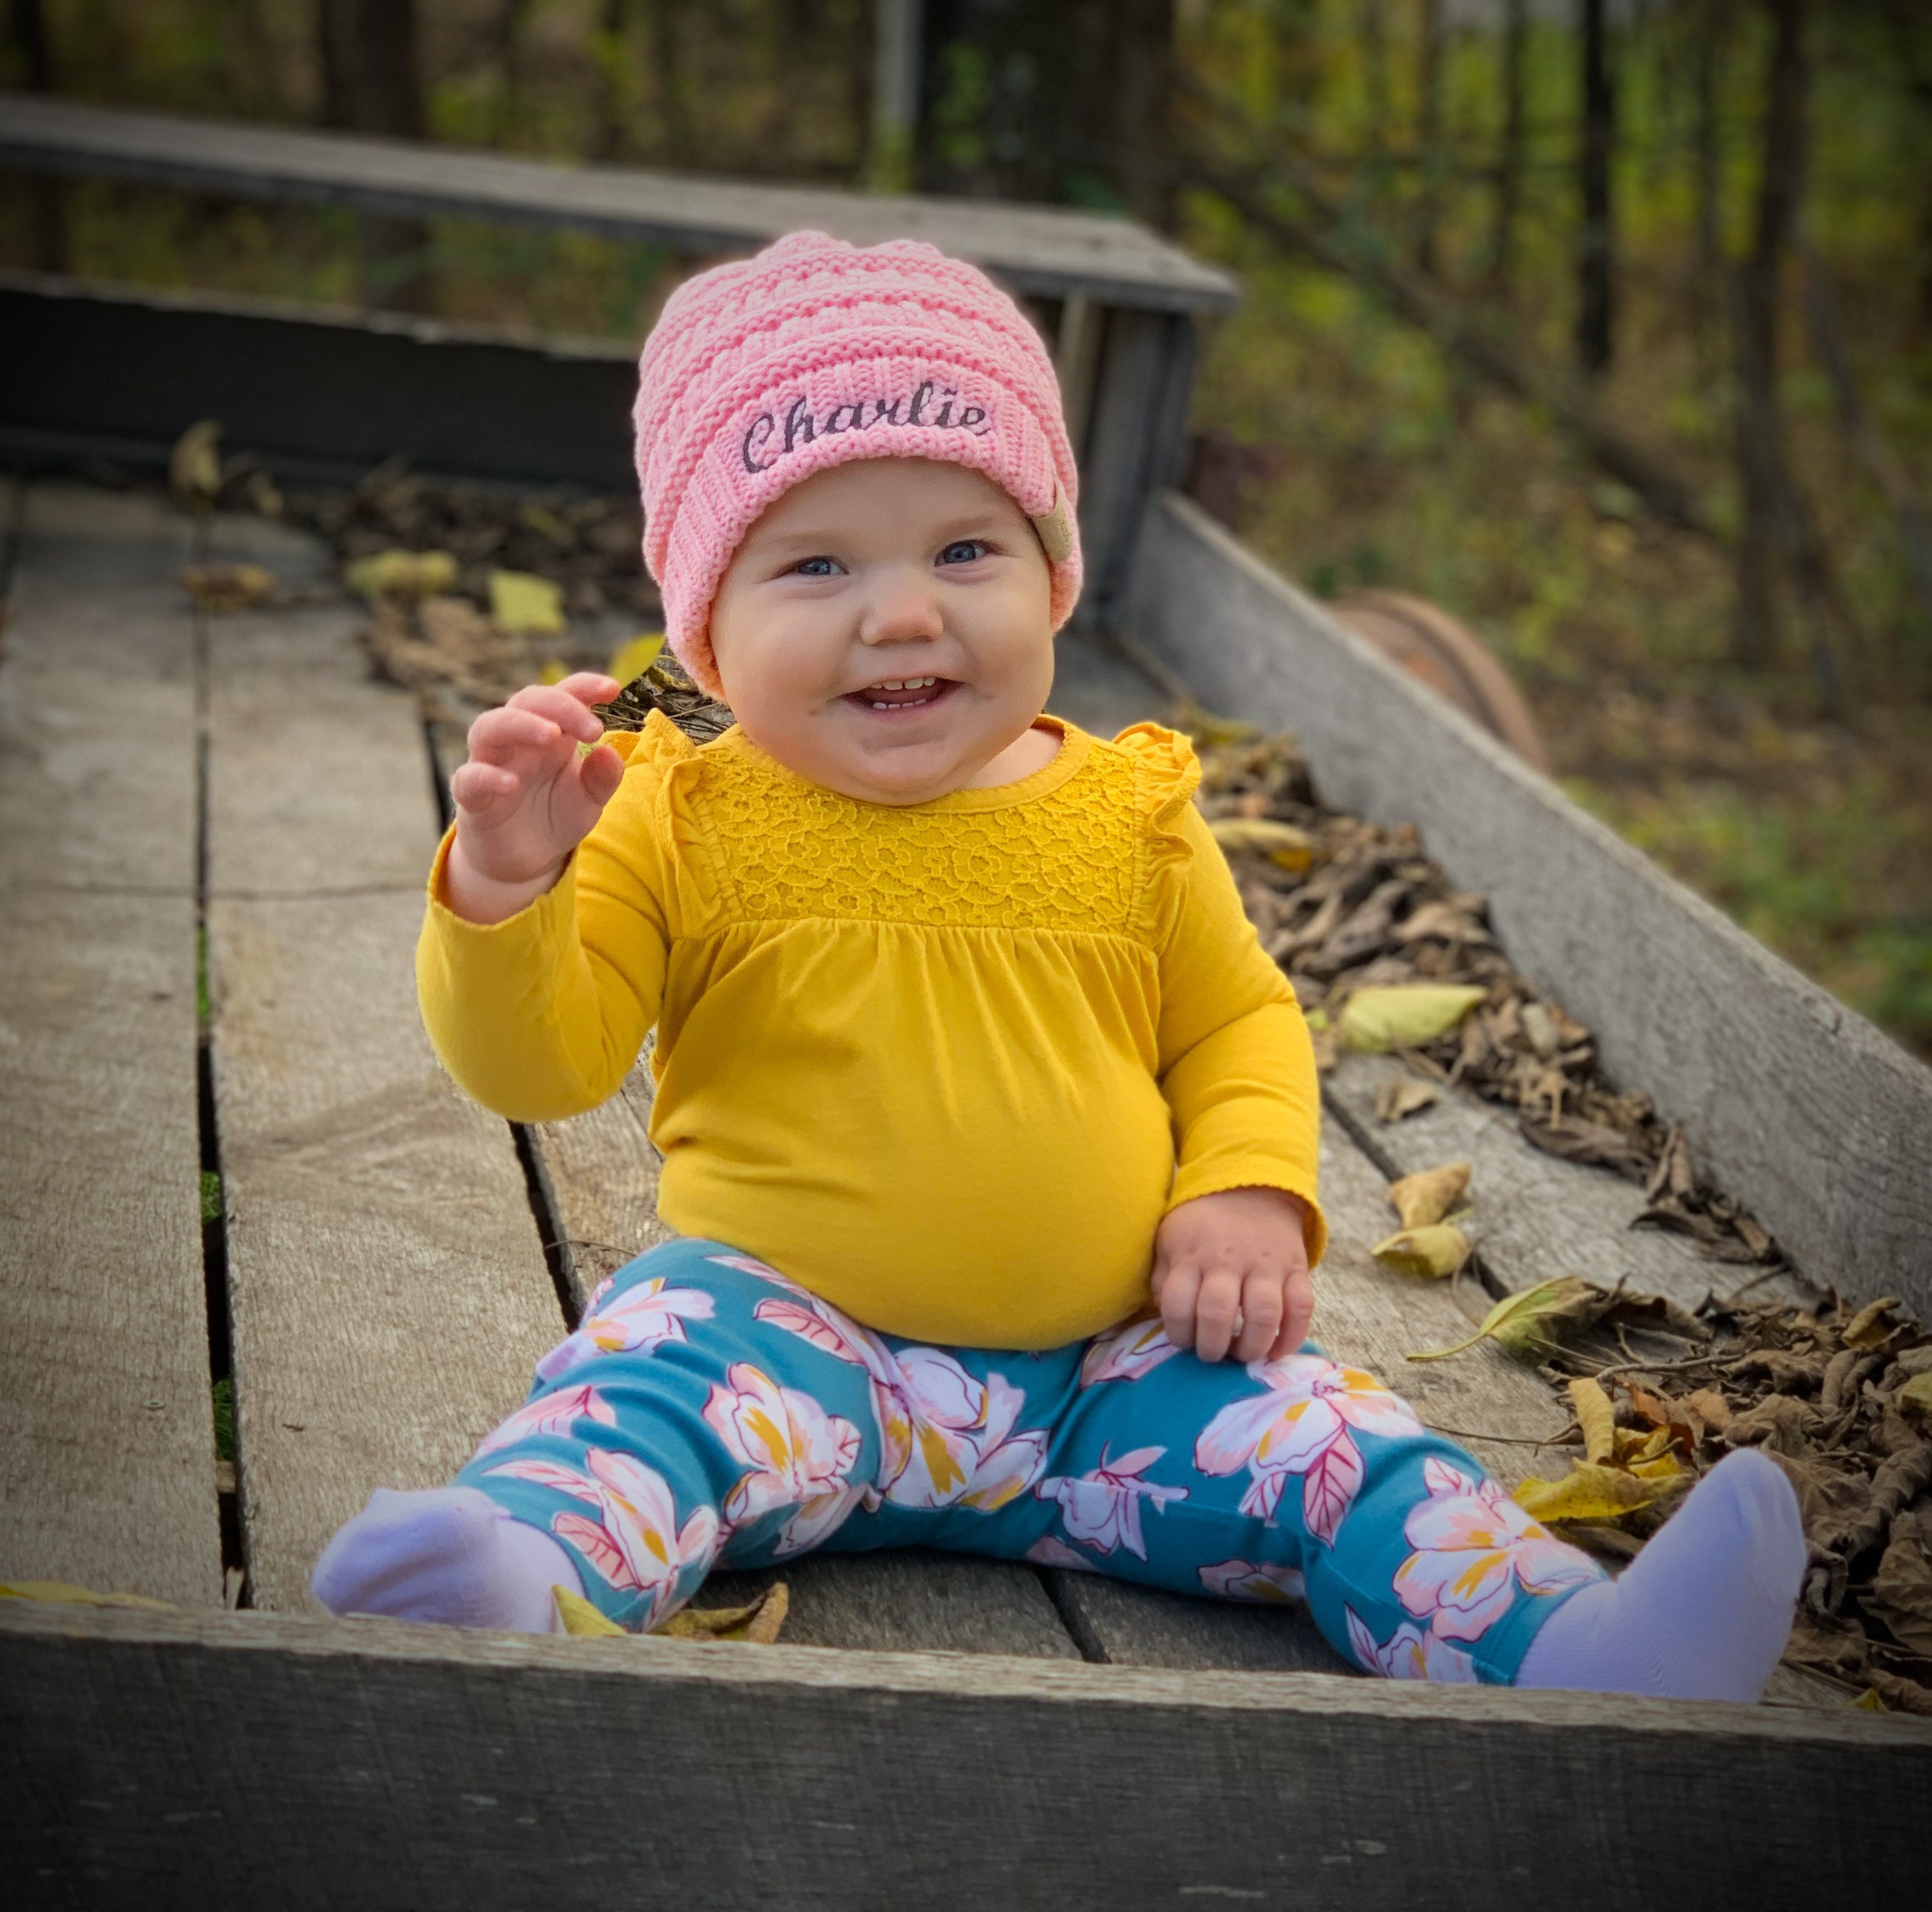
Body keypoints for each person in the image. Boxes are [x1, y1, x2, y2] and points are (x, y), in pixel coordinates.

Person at [314, 231, 1802, 1698]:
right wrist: (509, 884)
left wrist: (1244, 1187)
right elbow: (539, 1069)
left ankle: (1579, 1650)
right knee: (638, 1393)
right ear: (702, 633)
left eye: (965, 549)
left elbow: (1236, 1022)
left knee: (1337, 1449)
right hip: (783, 1343)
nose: (904, 611)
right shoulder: (673, 805)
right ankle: (513, 1570)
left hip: (1110, 1387)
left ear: (1054, 576)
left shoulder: (1127, 814)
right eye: (815, 563)